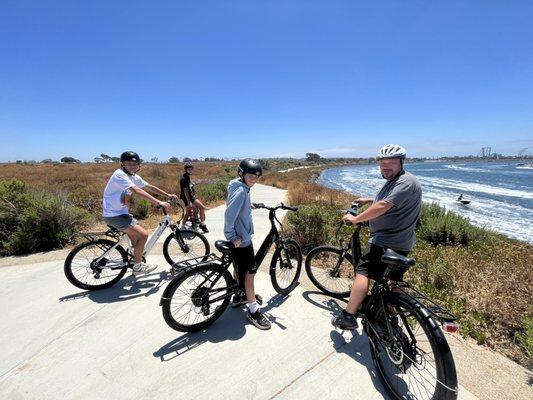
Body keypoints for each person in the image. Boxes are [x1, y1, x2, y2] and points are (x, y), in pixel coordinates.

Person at [331, 144, 422, 330]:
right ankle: (389, 314)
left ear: (402, 162)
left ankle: (348, 316)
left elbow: (383, 206)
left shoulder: (405, 181)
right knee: (394, 279)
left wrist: (355, 219)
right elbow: (388, 199)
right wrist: (367, 199)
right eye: (382, 162)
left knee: (363, 272)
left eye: (391, 162)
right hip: (402, 242)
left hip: (385, 242)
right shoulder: (397, 180)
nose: (385, 166)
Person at [102, 151, 178, 276]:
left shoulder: (133, 176)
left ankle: (135, 257)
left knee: (137, 238)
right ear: (122, 164)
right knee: (143, 235)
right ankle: (137, 267)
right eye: (128, 163)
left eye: (135, 163)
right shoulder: (119, 175)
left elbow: (150, 187)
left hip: (122, 214)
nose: (132, 166)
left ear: (138, 165)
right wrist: (158, 202)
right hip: (114, 215)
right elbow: (135, 190)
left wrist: (167, 195)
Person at [224, 159, 271, 330]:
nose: (254, 179)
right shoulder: (242, 192)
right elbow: (230, 214)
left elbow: (232, 202)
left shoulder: (236, 185)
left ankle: (239, 294)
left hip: (239, 237)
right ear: (241, 173)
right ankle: (253, 310)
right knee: (250, 274)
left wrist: (248, 205)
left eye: (257, 177)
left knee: (240, 270)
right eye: (251, 175)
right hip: (242, 240)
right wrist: (231, 236)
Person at [179, 163, 208, 233]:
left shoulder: (187, 176)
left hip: (189, 196)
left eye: (192, 169)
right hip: (186, 197)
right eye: (189, 169)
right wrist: (189, 202)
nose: (191, 170)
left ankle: (201, 224)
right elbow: (185, 191)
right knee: (190, 211)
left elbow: (189, 188)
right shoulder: (184, 178)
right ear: (186, 169)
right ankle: (183, 227)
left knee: (200, 208)